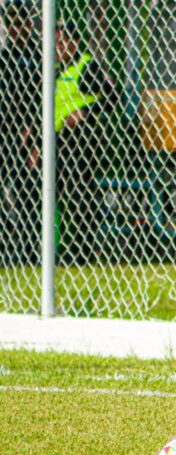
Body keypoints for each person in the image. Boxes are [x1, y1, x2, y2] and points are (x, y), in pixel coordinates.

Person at [54, 21, 113, 264]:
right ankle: (58, 246)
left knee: (79, 192)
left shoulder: (86, 66)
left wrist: (85, 113)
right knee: (55, 192)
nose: (57, 48)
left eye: (60, 42)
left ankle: (83, 249)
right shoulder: (57, 70)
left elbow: (111, 94)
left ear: (73, 42)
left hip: (82, 138)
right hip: (58, 140)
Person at [0, 1, 41, 264]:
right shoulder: (4, 57)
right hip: (5, 132)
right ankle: (5, 246)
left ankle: (29, 250)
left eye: (19, 23)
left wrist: (34, 132)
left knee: (27, 193)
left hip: (25, 134)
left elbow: (42, 98)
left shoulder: (37, 58)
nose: (14, 29)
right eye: (10, 23)